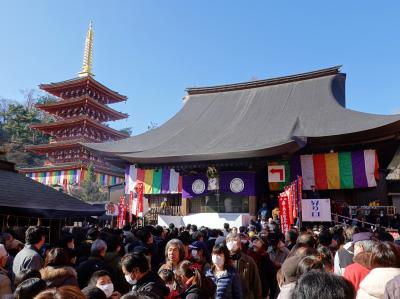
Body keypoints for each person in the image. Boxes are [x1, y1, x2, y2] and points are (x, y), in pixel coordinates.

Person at [225, 233, 261, 299]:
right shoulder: (223, 260)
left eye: (234, 240)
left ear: (239, 243)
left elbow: (256, 283)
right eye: (229, 240)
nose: (231, 242)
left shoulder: (248, 260)